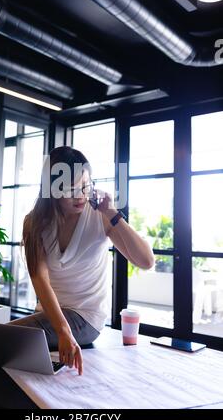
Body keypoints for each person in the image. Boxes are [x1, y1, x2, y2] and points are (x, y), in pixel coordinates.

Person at [9, 146, 154, 375]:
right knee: (3, 345)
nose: (81, 196)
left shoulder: (100, 216)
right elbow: (40, 278)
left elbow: (146, 261)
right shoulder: (34, 222)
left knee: (4, 339)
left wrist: (113, 214)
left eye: (86, 186)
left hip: (87, 318)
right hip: (52, 315)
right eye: (71, 189)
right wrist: (63, 330)